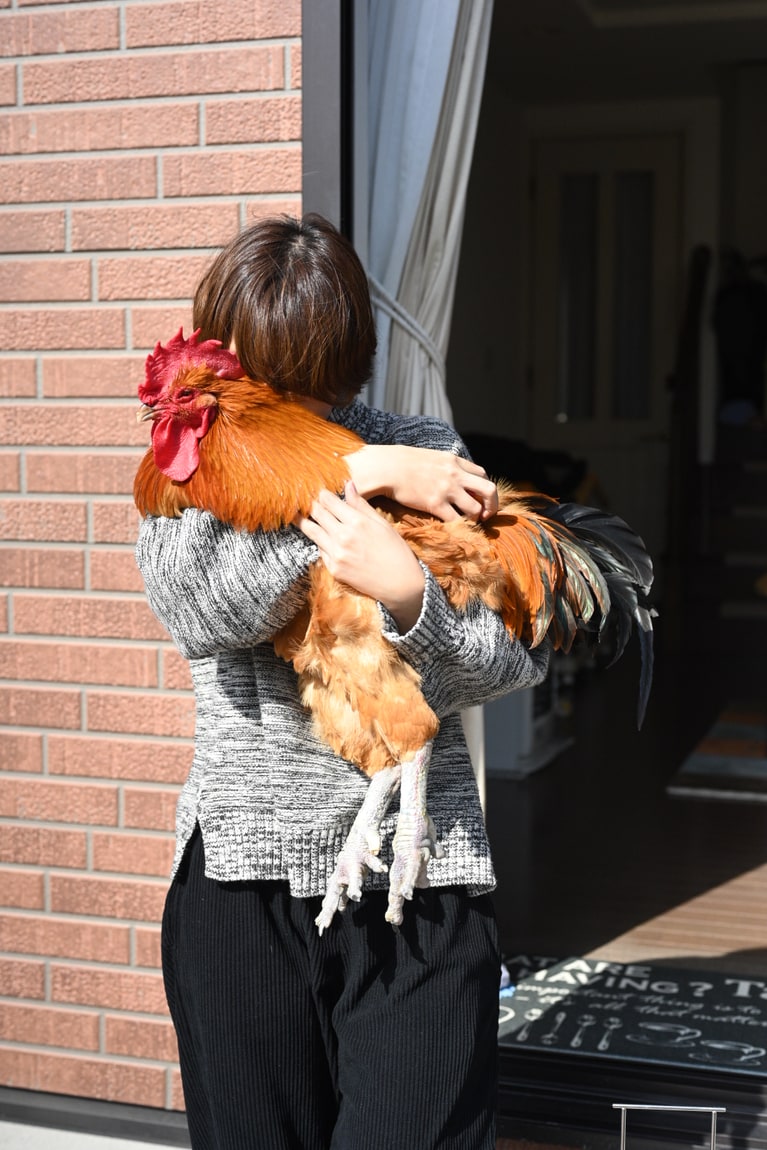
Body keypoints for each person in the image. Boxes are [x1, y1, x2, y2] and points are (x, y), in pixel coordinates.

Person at [135, 213, 550, 1150]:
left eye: (297, 376)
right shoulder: (193, 446)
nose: (268, 393)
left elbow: (508, 662)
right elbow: (203, 610)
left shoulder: (425, 449)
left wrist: (409, 597)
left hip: (414, 876)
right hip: (244, 876)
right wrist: (356, 474)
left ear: (345, 360)